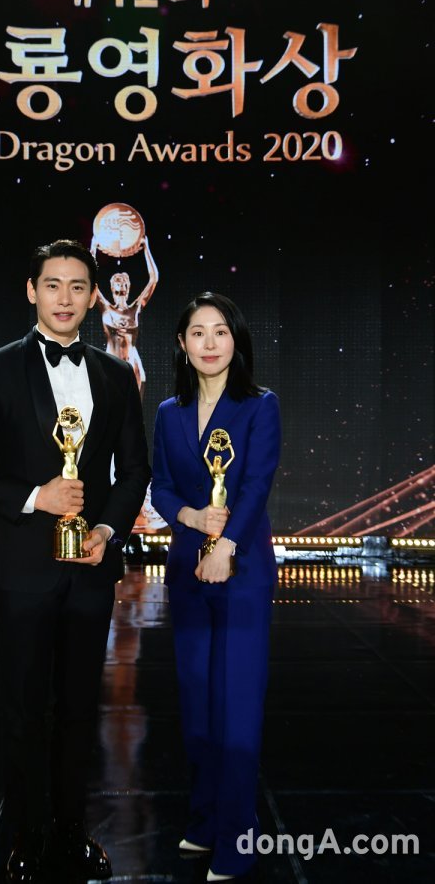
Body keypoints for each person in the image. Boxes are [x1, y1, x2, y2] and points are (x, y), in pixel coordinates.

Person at [0, 239, 150, 883]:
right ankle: (28, 835)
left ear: (93, 297)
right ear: (31, 291)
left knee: (81, 709)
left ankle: (72, 830)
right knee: (25, 710)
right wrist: (36, 497)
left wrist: (107, 529)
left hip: (91, 567)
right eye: (52, 285)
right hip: (24, 567)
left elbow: (134, 469)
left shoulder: (115, 374)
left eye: (77, 286)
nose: (65, 298)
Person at [151, 292, 281, 882]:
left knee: (237, 706)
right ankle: (204, 821)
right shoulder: (168, 412)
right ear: (181, 344)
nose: (209, 342)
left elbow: (255, 485)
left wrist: (226, 545)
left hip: (242, 571)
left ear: (236, 340)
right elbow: (161, 487)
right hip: (187, 570)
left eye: (221, 331)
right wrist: (192, 519)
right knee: (198, 703)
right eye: (198, 332)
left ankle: (237, 835)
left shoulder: (260, 406)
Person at [90, 234, 158, 398]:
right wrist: (93, 247)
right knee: (111, 407)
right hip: (111, 363)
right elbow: (88, 277)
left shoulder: (135, 308)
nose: (120, 286)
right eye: (117, 283)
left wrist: (146, 248)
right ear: (112, 288)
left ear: (128, 287)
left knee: (134, 408)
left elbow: (153, 279)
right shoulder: (106, 308)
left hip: (132, 363)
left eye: (123, 283)